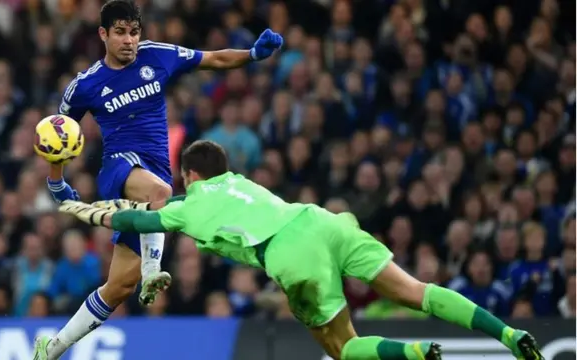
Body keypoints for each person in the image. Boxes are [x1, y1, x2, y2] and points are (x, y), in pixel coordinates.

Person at [55, 140, 545, 360]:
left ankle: (416, 352)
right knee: (416, 291)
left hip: (290, 254)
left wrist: (87, 210)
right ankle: (507, 333)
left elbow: (142, 219)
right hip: (320, 220)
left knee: (343, 349)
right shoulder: (238, 180)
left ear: (189, 175)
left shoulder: (189, 203)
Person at [36, 0, 283, 358]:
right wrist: (57, 182)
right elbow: (57, 137)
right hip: (119, 169)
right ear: (103, 34)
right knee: (162, 192)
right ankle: (154, 269)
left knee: (119, 287)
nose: (129, 40)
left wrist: (253, 54)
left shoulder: (158, 56)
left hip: (153, 175)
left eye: (134, 32)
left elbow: (213, 59)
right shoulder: (85, 86)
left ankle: (52, 348)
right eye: (120, 32)